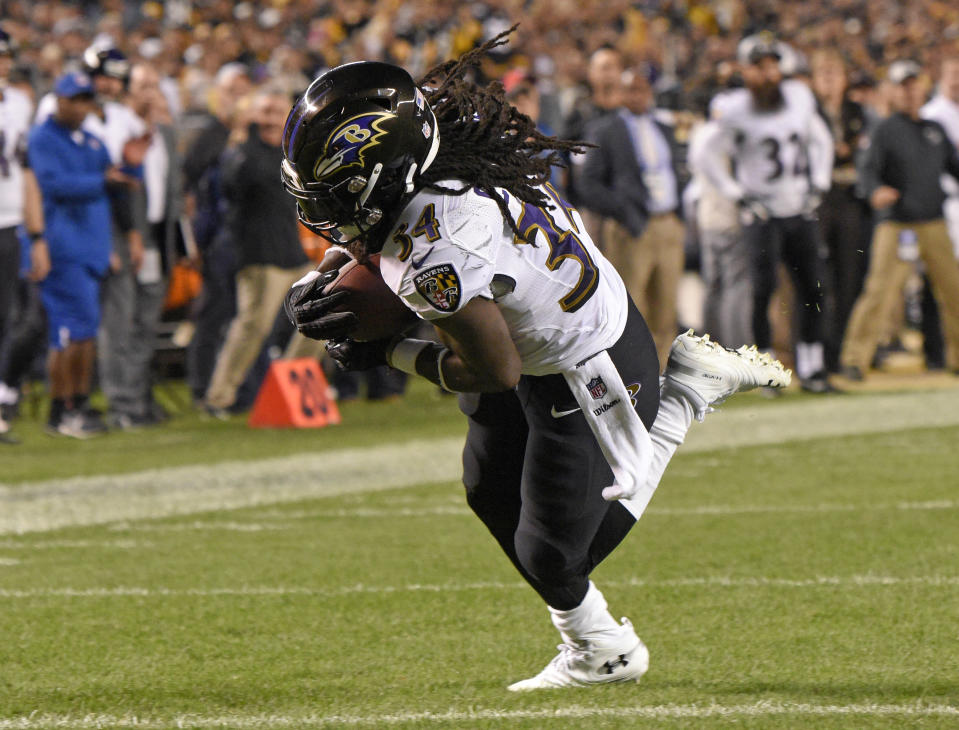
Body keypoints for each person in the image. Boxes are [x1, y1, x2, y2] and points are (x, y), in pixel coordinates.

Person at [280, 33, 790, 690]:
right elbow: (400, 245)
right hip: (531, 316)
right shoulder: (440, 152)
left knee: (553, 553)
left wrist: (389, 350)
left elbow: (495, 371)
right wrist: (333, 275)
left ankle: (688, 391)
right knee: (486, 489)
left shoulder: (436, 248)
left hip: (583, 359)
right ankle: (600, 647)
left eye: (332, 192)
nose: (321, 211)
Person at [694, 34, 835, 393]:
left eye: (772, 64)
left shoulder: (799, 97)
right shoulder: (734, 107)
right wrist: (736, 194)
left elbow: (820, 138)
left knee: (812, 288)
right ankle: (767, 370)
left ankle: (813, 366)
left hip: (798, 207)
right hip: (761, 212)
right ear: (745, 70)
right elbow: (705, 155)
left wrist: (818, 181)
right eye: (759, 65)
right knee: (762, 290)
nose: (768, 72)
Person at [202, 85, 322, 415]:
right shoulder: (243, 153)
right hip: (259, 258)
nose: (269, 119)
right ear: (253, 115)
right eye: (263, 111)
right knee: (251, 329)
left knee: (324, 316)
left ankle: (289, 382)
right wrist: (240, 138)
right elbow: (229, 185)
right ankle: (219, 397)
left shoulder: (290, 154)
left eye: (275, 111)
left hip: (292, 254)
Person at [840, 60, 959, 380]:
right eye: (902, 85)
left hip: (933, 223)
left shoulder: (934, 129)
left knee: (955, 291)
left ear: (922, 87)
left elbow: (954, 166)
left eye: (913, 84)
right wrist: (875, 190)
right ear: (892, 92)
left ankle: (956, 357)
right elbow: (866, 170)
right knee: (880, 292)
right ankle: (854, 359)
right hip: (898, 225)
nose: (909, 91)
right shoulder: (885, 129)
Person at [576, 66, 686, 370]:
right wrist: (622, 211)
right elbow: (588, 185)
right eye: (630, 89)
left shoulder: (663, 127)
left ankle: (662, 377)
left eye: (642, 89)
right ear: (621, 94)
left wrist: (679, 215)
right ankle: (632, 376)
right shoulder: (606, 130)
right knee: (631, 309)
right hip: (630, 229)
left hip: (668, 224)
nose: (637, 96)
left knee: (666, 310)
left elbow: (675, 172)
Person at [28, 72, 116, 438]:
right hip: (63, 247)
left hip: (92, 248)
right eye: (73, 99)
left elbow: (118, 178)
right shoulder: (42, 139)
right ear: (58, 101)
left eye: (84, 98)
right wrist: (103, 181)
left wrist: (131, 164)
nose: (80, 105)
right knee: (67, 333)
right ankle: (58, 411)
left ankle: (78, 403)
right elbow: (51, 183)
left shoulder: (93, 142)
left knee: (85, 332)